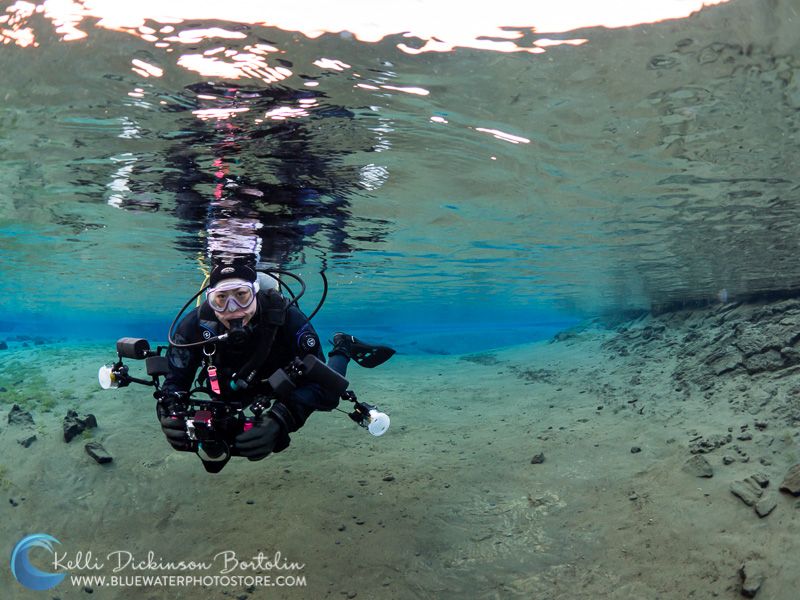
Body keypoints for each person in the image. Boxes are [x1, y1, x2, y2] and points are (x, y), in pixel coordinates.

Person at [157, 261, 394, 464]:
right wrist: (170, 414)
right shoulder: (194, 325)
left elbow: (320, 382)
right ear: (210, 301)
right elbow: (175, 380)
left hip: (282, 376)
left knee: (330, 397)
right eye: (221, 299)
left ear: (256, 293)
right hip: (229, 384)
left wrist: (282, 418)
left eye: (241, 295)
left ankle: (343, 346)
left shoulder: (287, 317)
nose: (233, 310)